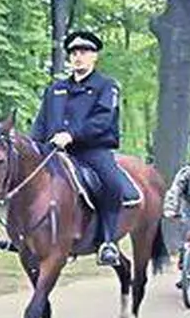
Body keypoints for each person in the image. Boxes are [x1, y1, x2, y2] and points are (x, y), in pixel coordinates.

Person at [9, 30, 129, 266]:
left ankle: (108, 242)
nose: (78, 57)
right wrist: (35, 147)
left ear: (95, 57)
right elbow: (41, 123)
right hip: (54, 151)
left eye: (84, 52)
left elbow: (103, 120)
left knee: (113, 184)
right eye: (74, 52)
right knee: (24, 180)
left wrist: (72, 135)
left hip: (92, 151)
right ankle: (19, 236)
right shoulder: (55, 89)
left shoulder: (106, 86)